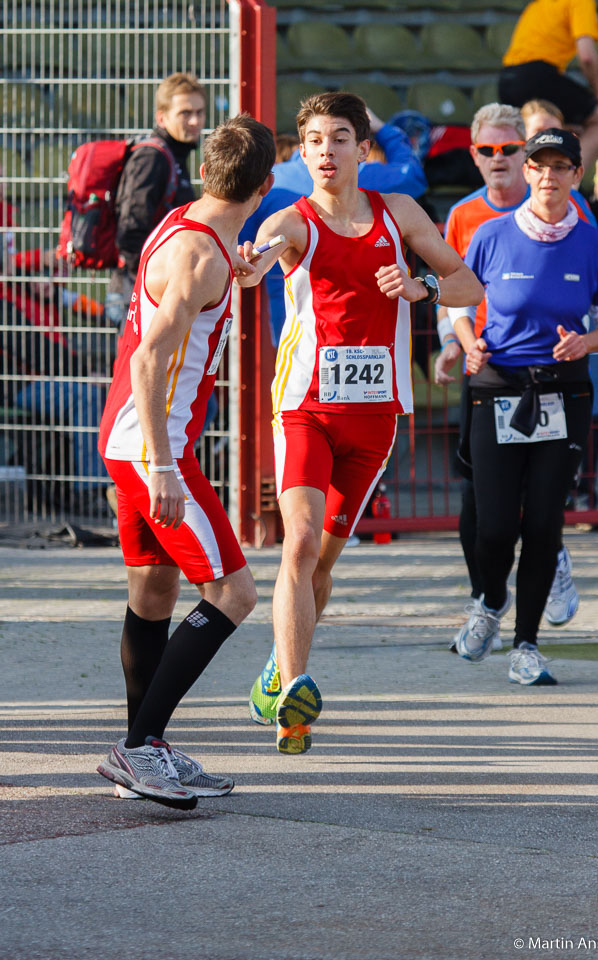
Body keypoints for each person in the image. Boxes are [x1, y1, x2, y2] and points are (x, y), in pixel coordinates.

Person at [237, 92, 483, 754]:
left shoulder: (397, 213)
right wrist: (253, 260)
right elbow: (263, 251)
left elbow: (468, 286)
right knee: (299, 543)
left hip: (375, 418)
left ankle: (275, 668)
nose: (325, 150)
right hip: (305, 409)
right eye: (313, 139)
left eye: (339, 138)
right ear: (299, 151)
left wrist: (420, 288)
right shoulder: (292, 219)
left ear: (363, 149)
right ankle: (296, 695)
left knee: (322, 561)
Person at [96, 114, 276, 809]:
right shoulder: (202, 255)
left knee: (153, 592)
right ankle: (138, 751)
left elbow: (201, 276)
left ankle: (149, 748)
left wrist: (244, 266)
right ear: (263, 186)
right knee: (233, 594)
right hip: (154, 448)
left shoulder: (186, 223)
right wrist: (165, 466)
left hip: (130, 440)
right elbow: (147, 356)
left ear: (205, 171)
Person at [448, 128, 598, 684]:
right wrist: (467, 340)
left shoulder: (593, 243)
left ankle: (527, 645)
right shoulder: (491, 234)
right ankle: (490, 603)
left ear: (576, 175)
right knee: (496, 526)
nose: (549, 175)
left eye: (561, 166)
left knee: (545, 523)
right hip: (497, 386)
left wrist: (585, 342)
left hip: (564, 389)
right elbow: (460, 299)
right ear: (527, 171)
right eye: (540, 165)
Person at [435, 104, 591, 647]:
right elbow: (449, 291)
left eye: (508, 149)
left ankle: (552, 556)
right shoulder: (464, 217)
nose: (498, 159)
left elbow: (591, 279)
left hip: (550, 376)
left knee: (543, 494)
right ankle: (486, 599)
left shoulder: (571, 208)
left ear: (525, 156)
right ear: (475, 156)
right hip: (487, 372)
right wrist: (454, 344)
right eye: (487, 151)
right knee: (480, 498)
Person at [239, 106, 429, 346]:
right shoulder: (361, 176)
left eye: (338, 140)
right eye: (319, 140)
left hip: (298, 334)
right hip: (364, 334)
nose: (327, 150)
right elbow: (412, 175)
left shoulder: (271, 182)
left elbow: (243, 257)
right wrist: (382, 129)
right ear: (304, 150)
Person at [105, 72, 207, 332]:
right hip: (142, 289)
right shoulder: (152, 158)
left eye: (200, 112)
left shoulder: (174, 155)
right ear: (161, 117)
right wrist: (152, 285)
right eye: (185, 113)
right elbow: (130, 229)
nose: (195, 121)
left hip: (157, 286)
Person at [498, 0, 598, 172]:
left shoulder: (537, 5)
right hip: (538, 77)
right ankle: (571, 182)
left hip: (507, 81)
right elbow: (587, 57)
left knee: (564, 126)